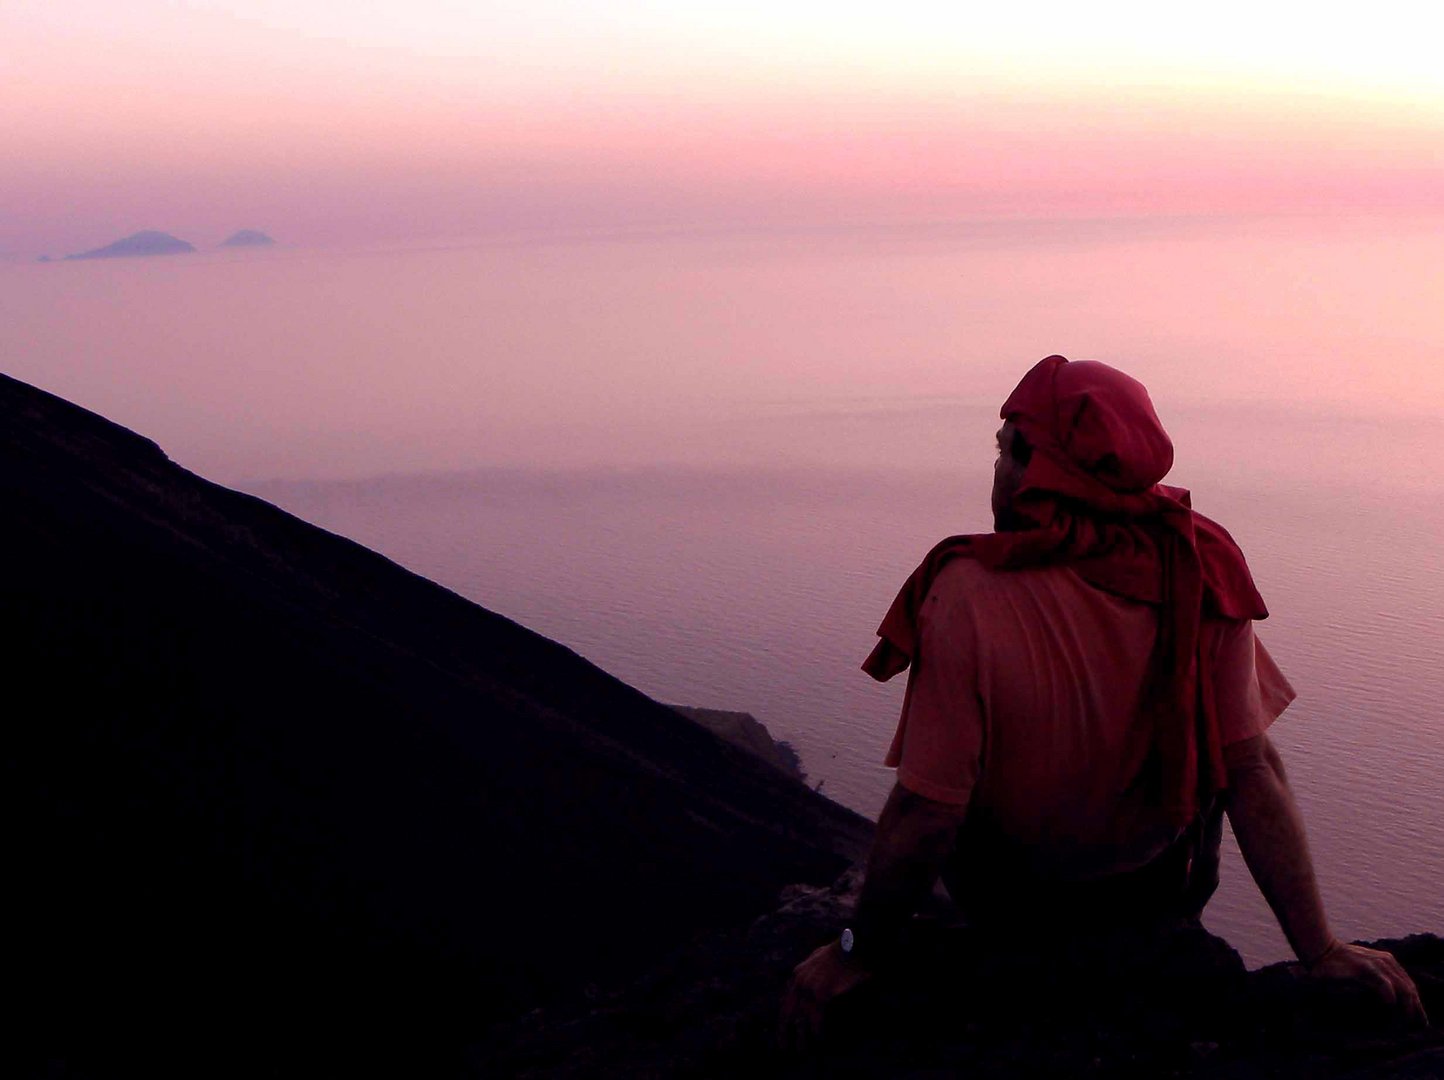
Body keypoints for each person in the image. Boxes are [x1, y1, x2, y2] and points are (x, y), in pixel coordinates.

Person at [780, 355, 1426, 1047]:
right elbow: (1250, 769)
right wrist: (1320, 949)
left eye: (1005, 453)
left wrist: (855, 951)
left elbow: (927, 811)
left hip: (1012, 904)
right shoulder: (1196, 563)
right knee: (1241, 744)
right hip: (1156, 894)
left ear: (1041, 472)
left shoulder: (965, 592)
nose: (995, 472)